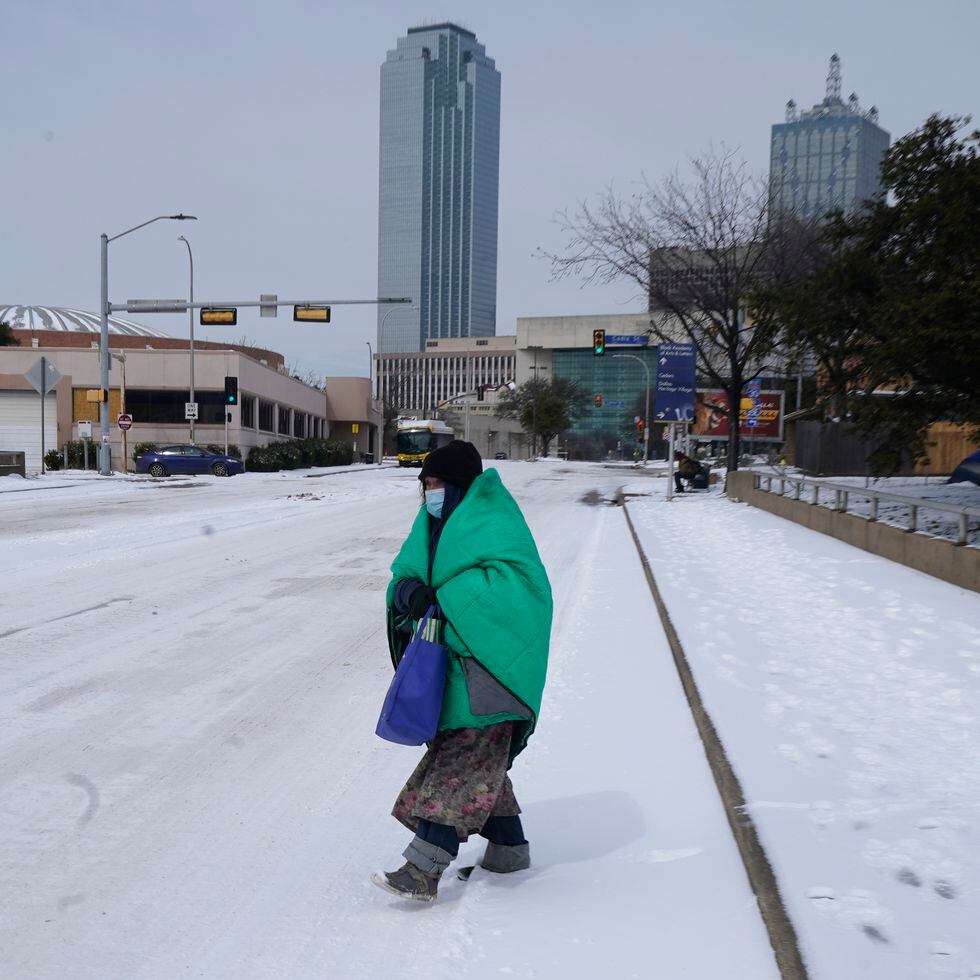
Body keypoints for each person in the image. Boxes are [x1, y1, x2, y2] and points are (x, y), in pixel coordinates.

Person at [373, 440, 553, 903]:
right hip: (452, 673)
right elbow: (405, 575)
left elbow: (516, 590)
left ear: (459, 486)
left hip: (492, 674)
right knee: (477, 761)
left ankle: (422, 869)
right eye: (424, 485)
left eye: (436, 484)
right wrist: (408, 592)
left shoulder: (495, 522)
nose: (428, 493)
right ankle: (509, 850)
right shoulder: (432, 525)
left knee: (459, 766)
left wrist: (442, 599)